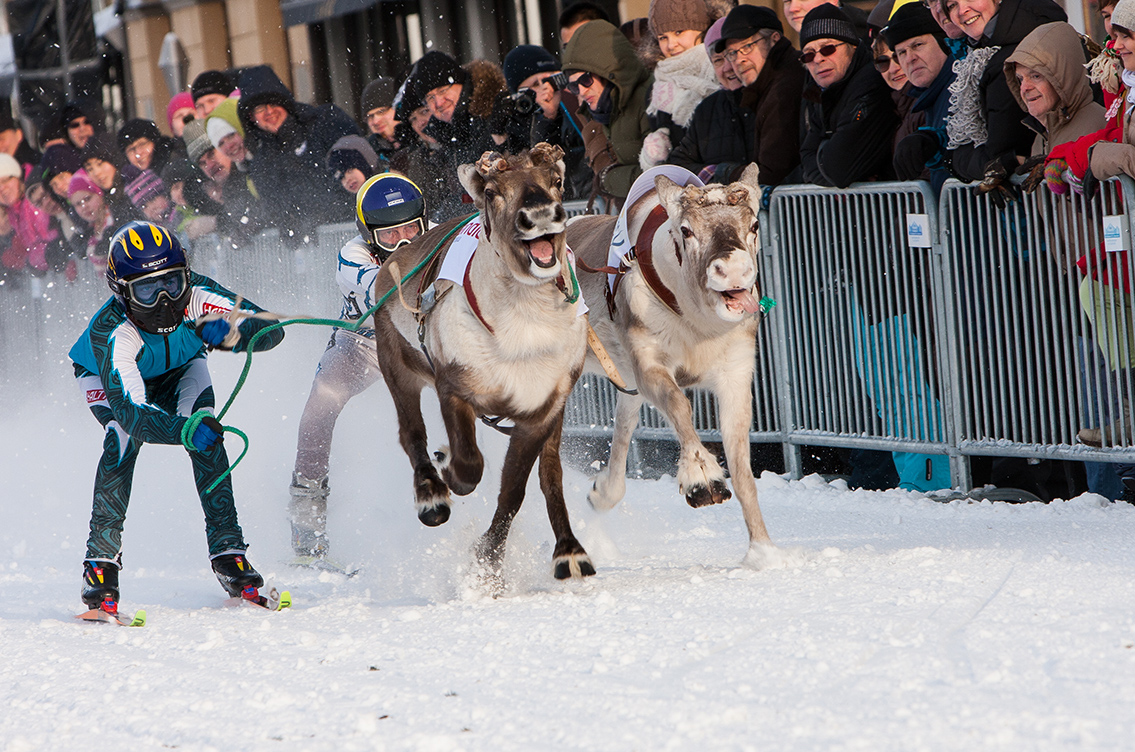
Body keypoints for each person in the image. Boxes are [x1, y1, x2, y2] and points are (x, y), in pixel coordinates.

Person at [70, 220, 285, 612]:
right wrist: (183, 431)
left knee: (208, 435)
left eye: (172, 282)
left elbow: (271, 330)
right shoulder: (112, 329)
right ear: (121, 292)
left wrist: (233, 336)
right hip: (108, 379)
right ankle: (100, 561)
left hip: (181, 367)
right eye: (147, 290)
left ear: (186, 274)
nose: (165, 299)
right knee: (122, 438)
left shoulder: (199, 294)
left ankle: (227, 550)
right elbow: (133, 414)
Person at [288, 174, 426, 565]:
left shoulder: (437, 236)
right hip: (364, 345)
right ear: (369, 237)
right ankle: (307, 527)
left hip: (424, 341)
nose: (404, 243)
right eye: (390, 236)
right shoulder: (352, 256)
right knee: (319, 409)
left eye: (412, 230)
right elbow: (391, 294)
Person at [940, 0, 1067, 185]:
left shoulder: (1006, 60)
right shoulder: (981, 54)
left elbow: (999, 157)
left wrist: (955, 158)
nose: (962, 10)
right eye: (952, 5)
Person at [237, 65, 360, 242]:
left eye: (274, 103)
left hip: (352, 236)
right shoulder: (261, 162)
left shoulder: (325, 122)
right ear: (251, 117)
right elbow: (274, 208)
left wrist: (323, 217)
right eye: (260, 108)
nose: (269, 112)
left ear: (285, 103)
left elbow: (359, 175)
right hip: (309, 257)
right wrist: (254, 223)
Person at [786, 4, 899, 187]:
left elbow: (839, 168)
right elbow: (806, 158)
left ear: (852, 47)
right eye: (808, 55)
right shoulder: (819, 91)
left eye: (828, 49)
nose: (818, 59)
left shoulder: (871, 81)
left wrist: (824, 154)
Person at [710, 4, 808, 186]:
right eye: (732, 53)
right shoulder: (769, 85)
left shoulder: (784, 89)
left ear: (774, 39)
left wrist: (725, 173)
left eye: (747, 47)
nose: (739, 60)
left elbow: (771, 173)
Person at [562, 19, 652, 203]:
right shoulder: (603, 111)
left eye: (585, 80)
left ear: (608, 72)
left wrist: (608, 179)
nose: (581, 91)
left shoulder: (648, 98)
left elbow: (661, 175)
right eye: (573, 85)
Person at [666, 16, 751, 181]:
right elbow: (679, 163)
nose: (728, 67)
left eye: (732, 55)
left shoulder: (771, 97)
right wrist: (718, 174)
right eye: (718, 60)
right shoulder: (707, 109)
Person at [501, 44, 592, 199]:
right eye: (535, 84)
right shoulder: (521, 123)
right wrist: (547, 117)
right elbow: (543, 168)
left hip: (593, 197)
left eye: (552, 80)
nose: (547, 88)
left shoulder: (583, 97)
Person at [887, 0, 959, 191]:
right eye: (901, 52)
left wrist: (933, 144)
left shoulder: (961, 84)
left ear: (943, 42)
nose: (910, 58)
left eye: (917, 45)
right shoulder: (928, 97)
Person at [639, 0, 720, 169]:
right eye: (663, 37)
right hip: (687, 184)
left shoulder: (724, 69)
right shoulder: (660, 88)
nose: (671, 45)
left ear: (702, 28)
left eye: (679, 32)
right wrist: (651, 156)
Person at [360, 76, 400, 166]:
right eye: (370, 116)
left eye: (381, 111)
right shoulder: (369, 157)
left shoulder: (426, 140)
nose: (375, 121)